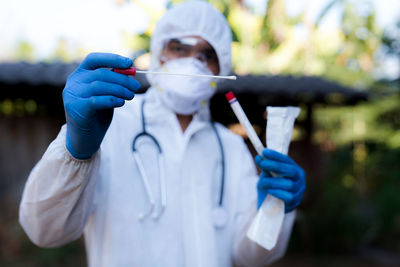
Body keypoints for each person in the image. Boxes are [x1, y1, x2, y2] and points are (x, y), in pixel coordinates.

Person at [19, 1, 306, 266]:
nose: (193, 63)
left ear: (222, 68)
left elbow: (249, 257)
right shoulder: (110, 127)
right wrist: (76, 152)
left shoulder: (231, 148)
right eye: (179, 48)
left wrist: (272, 210)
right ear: (158, 55)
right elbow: (43, 230)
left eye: (206, 55)